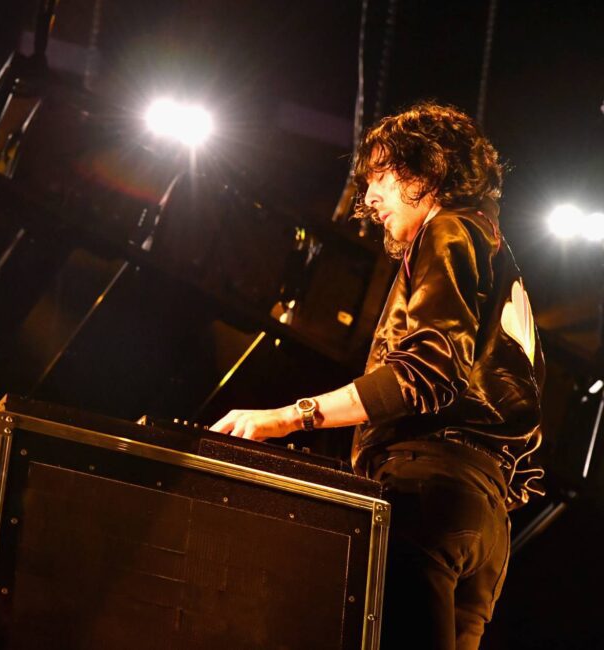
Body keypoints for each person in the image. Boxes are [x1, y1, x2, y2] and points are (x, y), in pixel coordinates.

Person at [211, 102, 544, 650]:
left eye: (382, 177)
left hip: (427, 493)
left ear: (428, 172)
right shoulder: (502, 264)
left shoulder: (449, 231)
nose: (369, 199)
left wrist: (288, 417)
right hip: (485, 522)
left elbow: (426, 372)